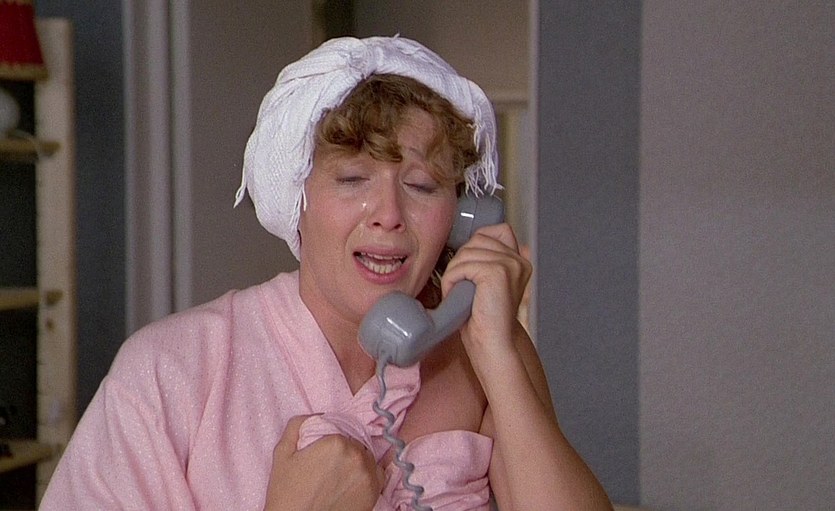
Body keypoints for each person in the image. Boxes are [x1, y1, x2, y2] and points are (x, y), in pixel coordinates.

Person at [40, 36, 612, 510]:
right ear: (297, 196)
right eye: (353, 179)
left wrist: (498, 352)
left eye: (421, 185)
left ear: (462, 213)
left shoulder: (485, 354)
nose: (389, 215)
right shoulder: (168, 372)